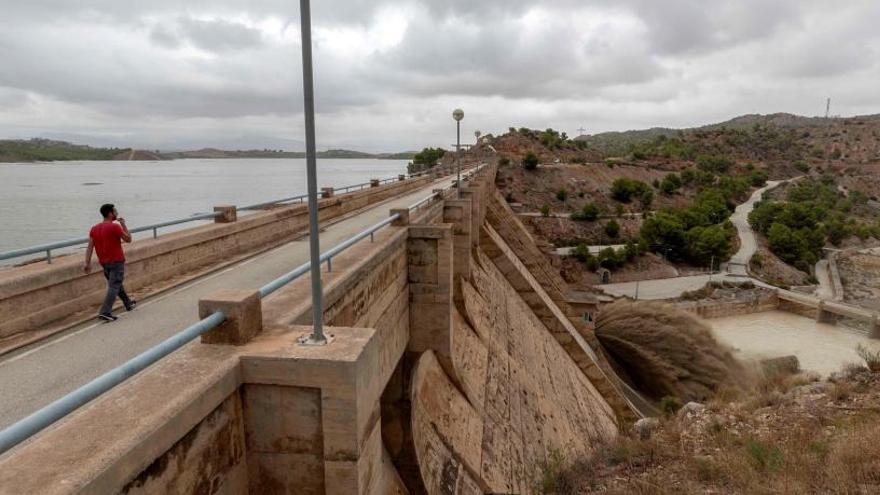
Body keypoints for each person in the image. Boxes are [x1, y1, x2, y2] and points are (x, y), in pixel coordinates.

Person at [84, 203, 136, 321]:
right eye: (115, 211)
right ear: (110, 213)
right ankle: (105, 312)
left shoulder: (94, 228)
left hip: (104, 263)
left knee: (116, 284)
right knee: (114, 286)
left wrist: (87, 263)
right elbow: (128, 239)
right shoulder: (115, 226)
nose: (116, 213)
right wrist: (123, 224)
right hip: (116, 261)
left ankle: (128, 303)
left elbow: (90, 247)